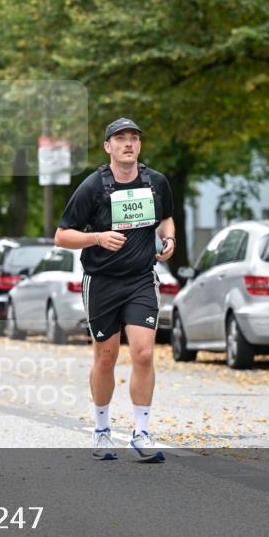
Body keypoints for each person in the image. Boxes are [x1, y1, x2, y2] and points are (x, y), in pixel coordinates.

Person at [54, 118, 175, 462]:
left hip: (140, 279)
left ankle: (141, 432)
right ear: (107, 146)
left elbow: (166, 217)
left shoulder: (156, 182)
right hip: (102, 281)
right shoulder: (93, 186)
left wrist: (169, 238)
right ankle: (102, 430)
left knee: (144, 353)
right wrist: (96, 238)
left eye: (134, 138)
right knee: (105, 358)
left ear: (139, 146)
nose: (128, 144)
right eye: (120, 138)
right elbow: (62, 236)